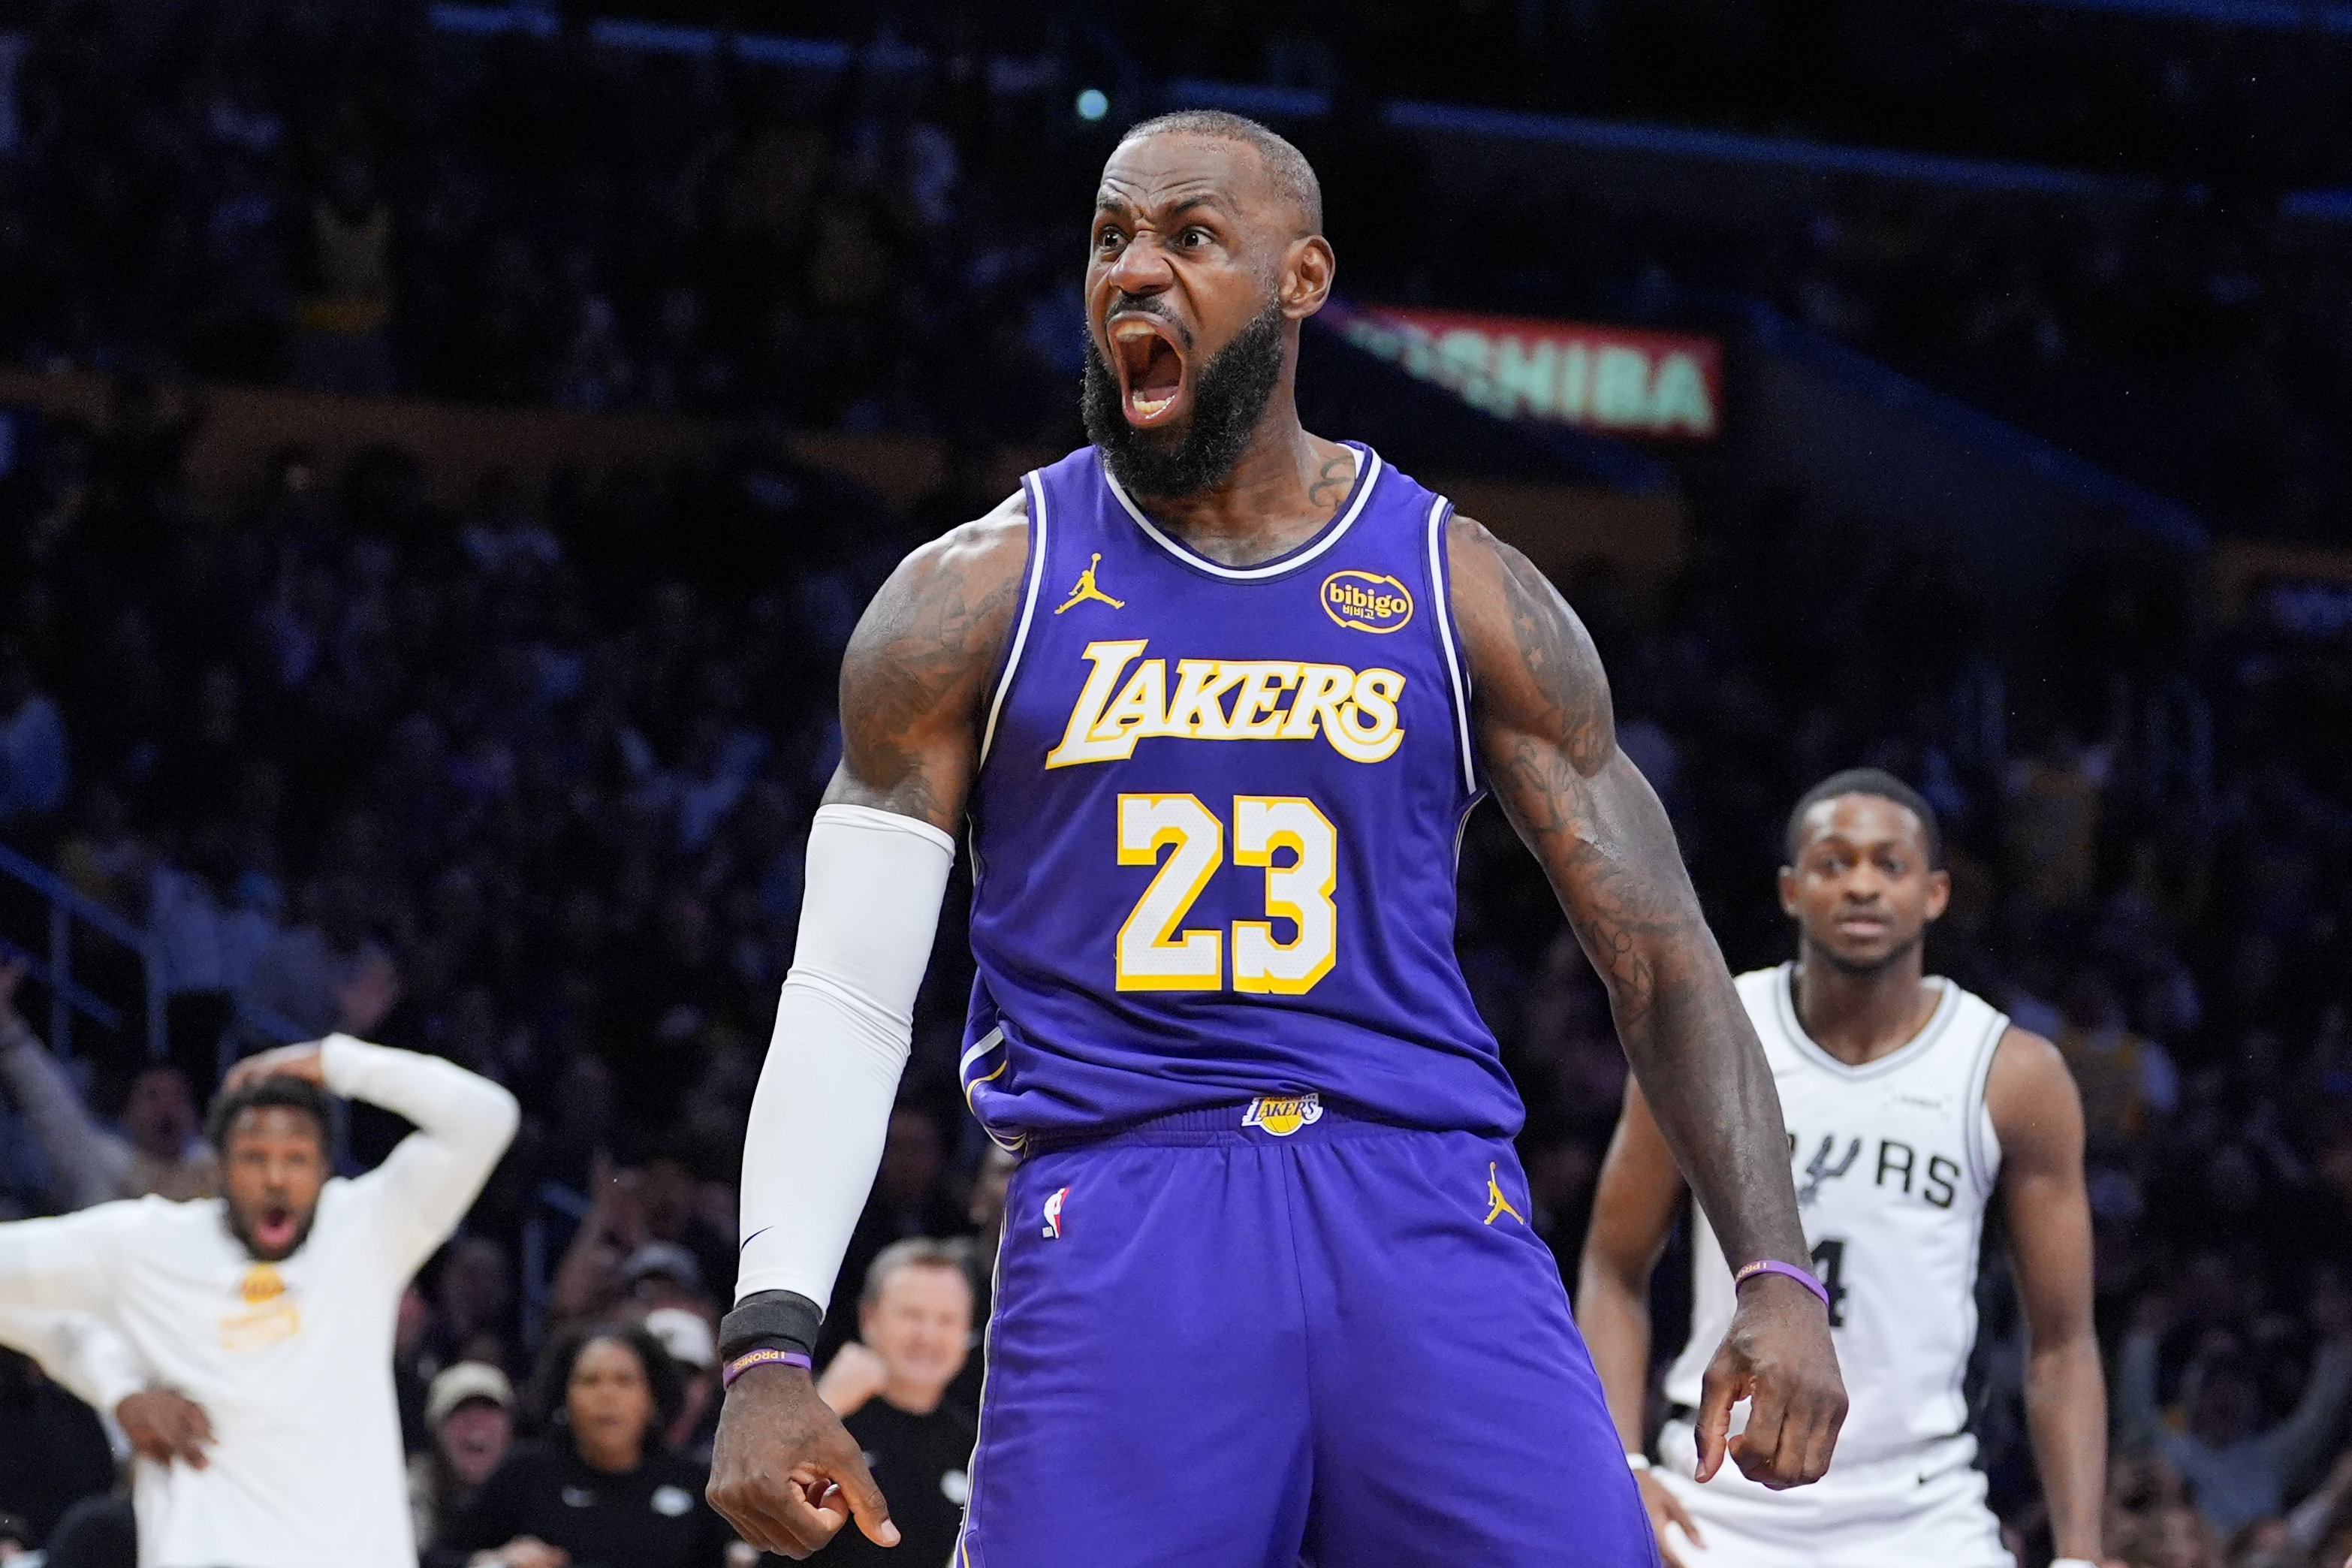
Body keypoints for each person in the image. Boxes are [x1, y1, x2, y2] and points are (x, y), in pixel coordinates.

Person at [707, 109, 1844, 1565]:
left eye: (1189, 237)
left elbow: (1666, 959)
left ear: (1303, 279)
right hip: (1128, 1208)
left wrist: (1774, 1268)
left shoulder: (1461, 585)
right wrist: (768, 1340)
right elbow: (852, 997)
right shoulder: (968, 597)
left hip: (1425, 1198)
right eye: (1111, 238)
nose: (1135, 272)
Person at [1578, 770, 2109, 1567]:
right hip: (1717, 1504)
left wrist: (2078, 1554)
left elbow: (2063, 1342)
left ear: (1935, 894)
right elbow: (1612, 1271)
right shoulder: (1708, 1039)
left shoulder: (2011, 1073)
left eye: (1888, 865)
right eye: (1835, 863)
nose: (1862, 884)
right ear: (1792, 890)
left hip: (1924, 1512)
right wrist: (1623, 1471)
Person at [0, 1033, 518, 1568]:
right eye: (254, 1158)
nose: (275, 1179)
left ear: (325, 1171)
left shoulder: (369, 1230)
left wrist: (336, 1061)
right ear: (219, 1168)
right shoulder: (144, 1243)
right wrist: (116, 1389)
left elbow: (486, 1117)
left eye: (297, 1158)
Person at [436, 1320, 737, 1568]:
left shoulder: (695, 1484)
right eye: (589, 1381)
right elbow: (435, 1558)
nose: (607, 1396)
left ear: (652, 1397)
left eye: (624, 1380)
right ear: (563, 1396)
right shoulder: (524, 1476)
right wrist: (496, 1563)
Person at [808, 1240, 978, 1568]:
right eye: (912, 1315)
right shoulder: (824, 1416)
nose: (928, 1336)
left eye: (947, 1320)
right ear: (869, 1318)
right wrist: (823, 1409)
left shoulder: (978, 1449)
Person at [0, 959, 217, 1208]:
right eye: (152, 1096)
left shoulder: (222, 1171)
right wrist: (7, 1027)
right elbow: (50, 1102)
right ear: (125, 1113)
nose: (167, 1108)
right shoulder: (98, 1166)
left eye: (180, 1097)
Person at [411, 1361, 518, 1554]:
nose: (476, 1423)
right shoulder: (408, 1494)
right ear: (436, 1431)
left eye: (489, 1409)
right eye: (460, 1410)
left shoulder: (532, 1488)